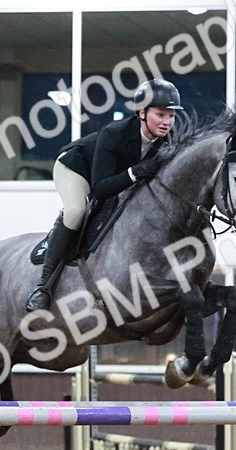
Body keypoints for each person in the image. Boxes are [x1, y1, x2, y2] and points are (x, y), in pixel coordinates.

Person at [24, 78, 183, 311]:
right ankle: (43, 287)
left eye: (171, 116)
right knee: (77, 211)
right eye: (161, 114)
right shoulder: (114, 133)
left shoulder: (167, 142)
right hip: (76, 169)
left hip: (111, 178)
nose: (167, 122)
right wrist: (134, 172)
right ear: (142, 112)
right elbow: (100, 188)